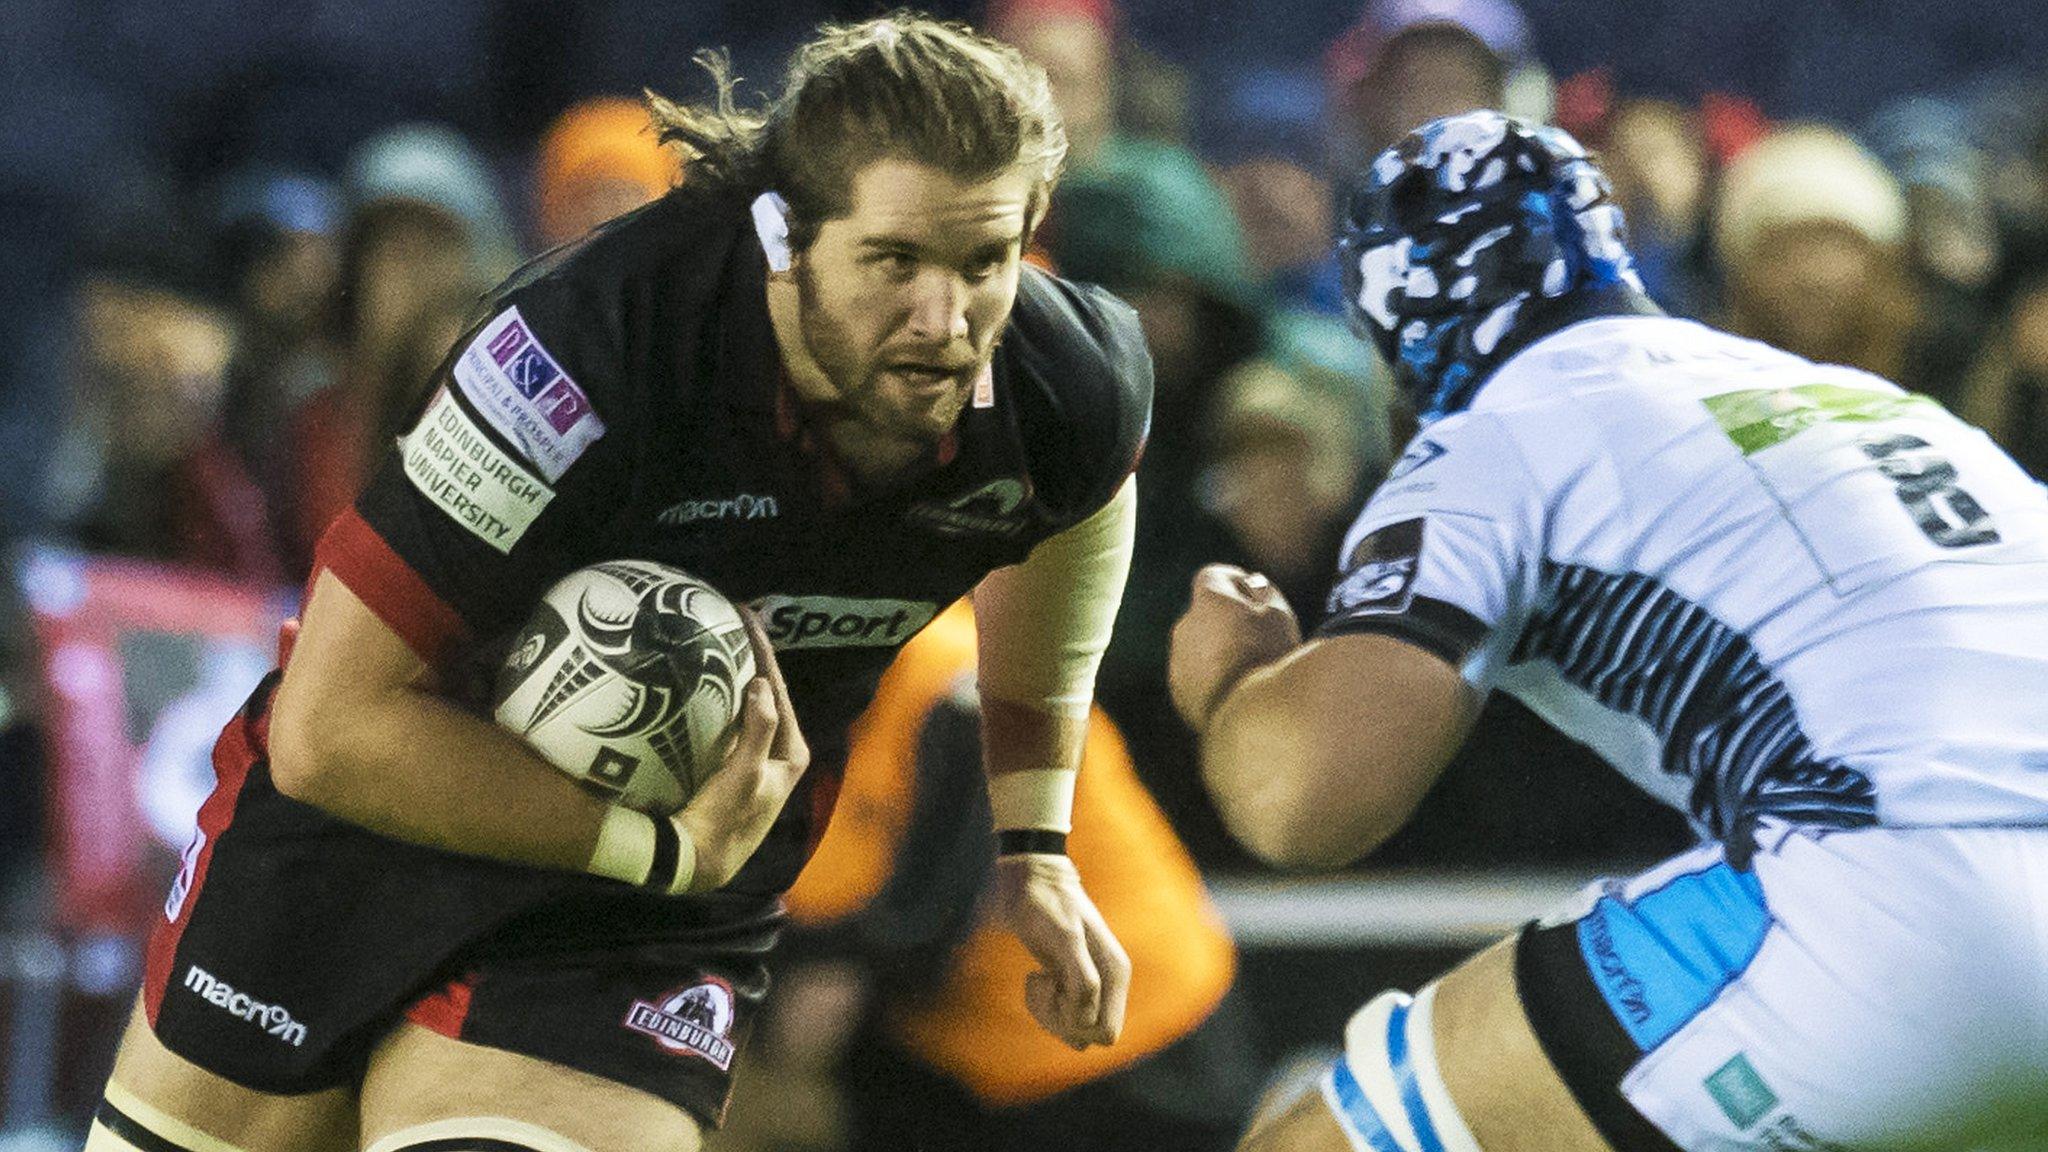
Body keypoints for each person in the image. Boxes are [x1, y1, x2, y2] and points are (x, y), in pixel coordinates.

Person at [90, 14, 1148, 1152]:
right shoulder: (583, 346)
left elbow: (1074, 519)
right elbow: (329, 732)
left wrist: (1031, 839)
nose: (945, 324)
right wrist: (667, 849)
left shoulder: (1063, 388)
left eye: (982, 263)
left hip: (636, 913)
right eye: (894, 264)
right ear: (786, 237)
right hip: (375, 825)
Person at [1170, 111, 2048, 1152]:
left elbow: (1300, 803)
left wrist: (1230, 685)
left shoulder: (1493, 434)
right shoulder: (1881, 407)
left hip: (1902, 909)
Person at [727, 601, 1249, 1152]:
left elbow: (917, 933)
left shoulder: (962, 682)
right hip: (961, 1055)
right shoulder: (789, 707)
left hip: (1126, 1039)